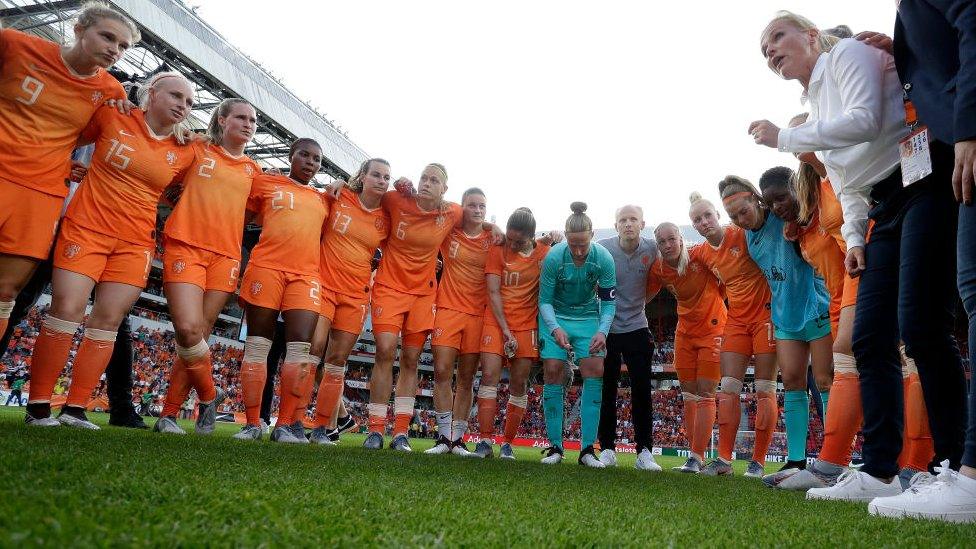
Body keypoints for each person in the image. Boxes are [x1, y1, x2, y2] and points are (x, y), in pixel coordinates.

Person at [750, 11, 966, 503]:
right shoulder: (814, 100)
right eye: (764, 50)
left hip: (924, 179)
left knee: (922, 326)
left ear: (810, 35)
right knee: (868, 339)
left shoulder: (847, 55)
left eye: (777, 37)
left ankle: (953, 467)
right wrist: (854, 238)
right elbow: (845, 177)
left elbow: (866, 122)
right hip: (883, 205)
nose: (771, 51)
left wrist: (783, 138)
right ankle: (880, 470)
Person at [25, 71, 195, 429]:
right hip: (86, 229)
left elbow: (181, 190)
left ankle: (74, 409)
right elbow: (62, 137)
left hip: (135, 244)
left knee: (108, 322)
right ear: (151, 92)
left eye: (190, 102)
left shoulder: (187, 150)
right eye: (176, 96)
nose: (183, 105)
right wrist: (62, 168)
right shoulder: (112, 114)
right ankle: (38, 407)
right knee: (66, 310)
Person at [860, 2, 976, 521]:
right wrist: (901, 50)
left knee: (942, 313)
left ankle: (960, 466)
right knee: (927, 320)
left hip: (950, 152)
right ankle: (955, 466)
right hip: (925, 164)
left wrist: (969, 127)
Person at [0, 2, 137, 344]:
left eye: (123, 46)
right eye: (107, 37)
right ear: (78, 29)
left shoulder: (111, 92)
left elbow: (82, 138)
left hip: (41, 193)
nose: (114, 50)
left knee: (6, 292)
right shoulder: (15, 45)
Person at [365, 164, 498, 451]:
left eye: (434, 180)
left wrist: (493, 226)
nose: (426, 183)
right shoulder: (395, 199)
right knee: (386, 350)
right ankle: (375, 429)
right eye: (423, 177)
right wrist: (341, 185)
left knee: (411, 359)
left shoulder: (451, 213)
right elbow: (367, 194)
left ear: (444, 189)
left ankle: (400, 433)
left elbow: (477, 218)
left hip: (423, 296)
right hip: (389, 287)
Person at [153, 98, 260, 436]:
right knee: (188, 329)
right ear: (222, 119)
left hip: (226, 257)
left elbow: (260, 212)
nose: (248, 124)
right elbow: (162, 174)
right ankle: (210, 396)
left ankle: (169, 415)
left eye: (253, 120)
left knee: (201, 332)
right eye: (241, 118)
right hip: (186, 245)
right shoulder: (196, 148)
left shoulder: (254, 171)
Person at [722, 172, 832, 485]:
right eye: (734, 216)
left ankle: (832, 459)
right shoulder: (746, 237)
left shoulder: (786, 218)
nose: (741, 219)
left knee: (824, 382)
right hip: (784, 317)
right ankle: (796, 460)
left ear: (757, 202)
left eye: (744, 211)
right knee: (794, 382)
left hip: (816, 307)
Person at [233, 138, 328, 443]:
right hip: (266, 269)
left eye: (316, 159)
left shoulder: (325, 199)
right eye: (304, 155)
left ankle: (284, 425)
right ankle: (252, 423)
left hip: (306, 276)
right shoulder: (265, 182)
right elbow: (237, 218)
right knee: (258, 346)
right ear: (291, 155)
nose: (310, 162)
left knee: (301, 350)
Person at [688, 192, 776, 478]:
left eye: (707, 216)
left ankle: (758, 462)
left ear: (717, 214)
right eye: (697, 219)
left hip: (766, 317)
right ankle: (724, 460)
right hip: (736, 321)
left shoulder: (742, 233)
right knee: (727, 389)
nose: (703, 222)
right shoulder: (701, 251)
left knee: (764, 388)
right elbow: (675, 252)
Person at [305, 158, 391, 445]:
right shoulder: (339, 197)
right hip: (324, 286)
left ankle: (321, 428)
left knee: (337, 361)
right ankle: (290, 421)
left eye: (386, 177)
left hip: (355, 296)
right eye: (376, 175)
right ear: (363, 176)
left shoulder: (386, 219)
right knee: (312, 351)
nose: (382, 180)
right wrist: (332, 186)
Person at [471, 208, 553, 460]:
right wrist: (505, 330)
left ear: (531, 237)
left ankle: (507, 443)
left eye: (519, 241)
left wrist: (557, 238)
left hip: (527, 326)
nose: (513, 245)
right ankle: (484, 442)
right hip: (496, 323)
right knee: (489, 377)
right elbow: (493, 292)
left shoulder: (545, 253)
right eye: (511, 238)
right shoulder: (498, 249)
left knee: (519, 384)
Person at [538, 202, 616, 468]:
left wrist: (603, 331)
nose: (579, 251)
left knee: (595, 369)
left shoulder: (603, 258)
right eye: (573, 245)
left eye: (583, 244)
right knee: (552, 370)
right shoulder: (553, 258)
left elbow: (608, 303)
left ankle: (586, 450)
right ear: (566, 238)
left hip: (587, 318)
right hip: (556, 316)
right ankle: (555, 447)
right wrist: (555, 328)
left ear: (592, 235)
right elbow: (544, 301)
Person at [648, 222, 727, 473]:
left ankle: (696, 456)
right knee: (689, 394)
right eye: (662, 242)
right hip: (684, 333)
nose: (668, 245)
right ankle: (694, 458)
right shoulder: (659, 268)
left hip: (713, 330)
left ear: (681, 239)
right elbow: (643, 297)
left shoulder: (699, 255)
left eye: (672, 239)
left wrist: (714, 307)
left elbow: (726, 280)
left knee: (706, 392)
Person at [425, 188, 494, 457]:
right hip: (447, 310)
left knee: (466, 379)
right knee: (442, 371)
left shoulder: (492, 238)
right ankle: (443, 436)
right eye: (472, 205)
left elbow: (519, 240)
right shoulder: (449, 232)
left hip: (478, 315)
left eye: (482, 207)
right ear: (462, 207)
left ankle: (458, 438)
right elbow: (439, 210)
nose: (477, 211)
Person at [594, 205, 661, 471]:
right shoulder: (602, 248)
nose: (628, 224)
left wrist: (640, 305)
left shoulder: (653, 249)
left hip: (637, 326)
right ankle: (607, 448)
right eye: (623, 220)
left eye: (633, 219)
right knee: (607, 389)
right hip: (607, 328)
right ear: (616, 225)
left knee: (642, 391)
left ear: (642, 224)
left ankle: (644, 451)